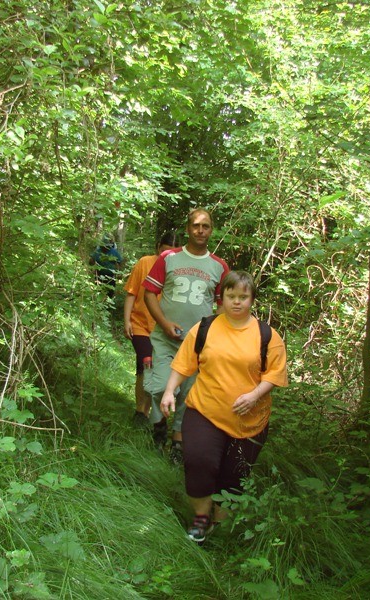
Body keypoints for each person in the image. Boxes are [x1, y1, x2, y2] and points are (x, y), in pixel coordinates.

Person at [160, 271, 287, 544]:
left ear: (252, 299)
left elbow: (275, 374)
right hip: (205, 411)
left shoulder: (267, 335)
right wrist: (170, 390)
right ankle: (201, 518)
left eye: (243, 297)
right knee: (199, 461)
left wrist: (254, 395)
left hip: (249, 420)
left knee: (234, 476)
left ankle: (221, 524)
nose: (237, 302)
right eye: (231, 296)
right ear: (222, 297)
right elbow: (183, 364)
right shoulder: (204, 329)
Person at [142, 208, 229, 463]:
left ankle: (177, 443)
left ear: (211, 230)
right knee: (159, 386)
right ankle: (158, 426)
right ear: (188, 229)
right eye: (195, 226)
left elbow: (222, 303)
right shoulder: (168, 258)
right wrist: (165, 323)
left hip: (197, 345)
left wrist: (214, 334)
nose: (200, 231)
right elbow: (149, 294)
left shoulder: (219, 266)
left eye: (206, 226)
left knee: (188, 395)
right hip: (164, 337)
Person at [123, 231, 182, 428]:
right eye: (164, 251)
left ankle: (150, 410)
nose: (167, 256)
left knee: (158, 368)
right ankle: (141, 410)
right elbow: (131, 292)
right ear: (158, 248)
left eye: (172, 252)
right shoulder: (145, 263)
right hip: (140, 324)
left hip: (162, 328)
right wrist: (126, 320)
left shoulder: (178, 269)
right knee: (145, 364)